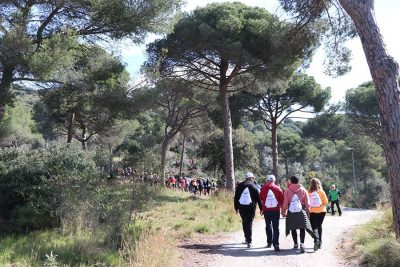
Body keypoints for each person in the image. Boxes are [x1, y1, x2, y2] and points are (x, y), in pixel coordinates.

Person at [281, 175, 314, 253]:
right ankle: (302, 243)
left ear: (291, 182)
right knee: (302, 228)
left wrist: (283, 211)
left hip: (291, 211)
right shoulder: (303, 190)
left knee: (293, 228)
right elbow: (307, 201)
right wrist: (308, 210)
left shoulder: (287, 190)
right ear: (298, 181)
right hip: (301, 211)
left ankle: (295, 244)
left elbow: (285, 202)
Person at [234, 172, 262, 248]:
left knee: (244, 222)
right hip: (251, 208)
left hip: (241, 207)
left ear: (246, 178)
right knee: (249, 223)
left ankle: (246, 238)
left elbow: (236, 197)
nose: (253, 179)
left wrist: (236, 208)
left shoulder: (240, 186)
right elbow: (259, 199)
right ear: (251, 178)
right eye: (253, 178)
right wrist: (261, 208)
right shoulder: (254, 186)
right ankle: (249, 242)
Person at [259, 174, 284, 251]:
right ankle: (276, 244)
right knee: (276, 227)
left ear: (267, 180)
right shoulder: (278, 188)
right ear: (274, 180)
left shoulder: (263, 188)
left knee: (268, 225)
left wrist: (262, 208)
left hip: (266, 210)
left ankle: (269, 242)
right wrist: (283, 209)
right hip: (275, 210)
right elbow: (282, 199)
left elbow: (261, 198)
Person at [308, 178, 328, 251]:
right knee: (319, 226)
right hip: (322, 211)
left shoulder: (309, 192)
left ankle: (316, 241)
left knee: (314, 227)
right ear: (318, 183)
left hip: (312, 212)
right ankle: (320, 243)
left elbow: (307, 203)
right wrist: (320, 205)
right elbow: (325, 202)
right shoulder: (321, 192)